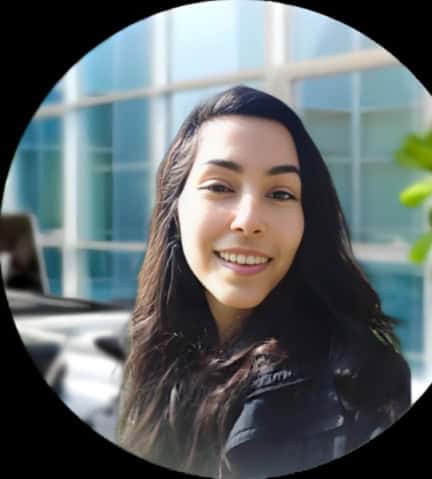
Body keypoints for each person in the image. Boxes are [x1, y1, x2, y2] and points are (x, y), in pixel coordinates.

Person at [116, 86, 411, 478]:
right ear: (175, 208)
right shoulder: (150, 353)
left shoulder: (365, 382)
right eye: (220, 187)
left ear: (307, 219)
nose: (249, 220)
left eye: (280, 193)